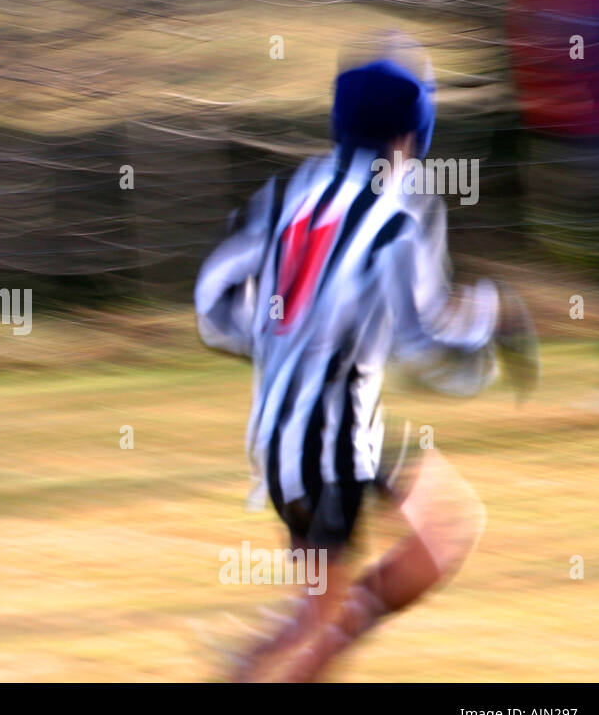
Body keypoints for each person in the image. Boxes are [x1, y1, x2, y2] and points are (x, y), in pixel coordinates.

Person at [194, 40, 539, 681]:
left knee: (438, 536)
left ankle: (296, 646)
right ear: (413, 133)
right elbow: (421, 339)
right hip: (328, 449)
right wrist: (493, 321)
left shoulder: (289, 193)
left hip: (307, 437)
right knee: (315, 622)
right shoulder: (396, 217)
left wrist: (275, 338)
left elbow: (212, 302)